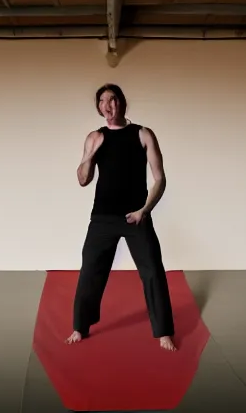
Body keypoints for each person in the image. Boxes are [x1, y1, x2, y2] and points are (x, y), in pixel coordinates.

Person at [66, 84, 176, 351]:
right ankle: (80, 327)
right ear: (99, 108)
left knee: (152, 271)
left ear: (122, 103)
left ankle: (163, 332)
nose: (108, 105)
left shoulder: (143, 134)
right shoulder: (94, 136)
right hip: (103, 216)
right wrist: (92, 151)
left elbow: (160, 179)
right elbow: (83, 180)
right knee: (90, 272)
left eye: (112, 99)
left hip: (136, 216)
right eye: (102, 101)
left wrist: (144, 211)